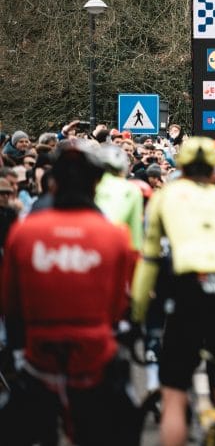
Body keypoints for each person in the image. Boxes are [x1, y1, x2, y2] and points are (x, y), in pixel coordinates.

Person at [0, 139, 140, 445]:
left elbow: (9, 303)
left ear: (52, 184)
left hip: (38, 358)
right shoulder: (115, 236)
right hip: (93, 360)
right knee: (126, 426)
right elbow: (118, 306)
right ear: (95, 185)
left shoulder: (23, 232)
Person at [130, 136, 215, 446]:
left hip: (189, 285)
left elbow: (150, 258)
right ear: (214, 170)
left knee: (174, 392)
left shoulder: (166, 196)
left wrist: (137, 311)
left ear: (180, 167)